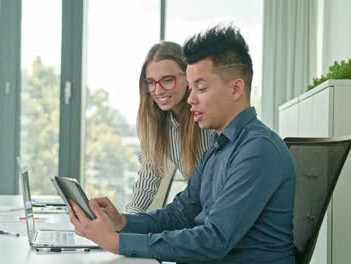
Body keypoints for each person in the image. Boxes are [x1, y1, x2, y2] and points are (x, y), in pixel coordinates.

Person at [68, 25, 296, 263]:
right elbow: (180, 214)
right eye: (192, 87)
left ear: (236, 88)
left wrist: (118, 243)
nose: (191, 98)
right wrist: (123, 222)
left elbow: (213, 240)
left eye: (201, 87)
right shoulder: (219, 147)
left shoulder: (257, 150)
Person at [126, 41, 211, 213]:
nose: (158, 91)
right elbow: (150, 175)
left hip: (219, 216)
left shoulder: (207, 119)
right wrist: (127, 221)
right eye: (151, 82)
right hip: (199, 214)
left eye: (167, 80)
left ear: (188, 76)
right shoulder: (155, 122)